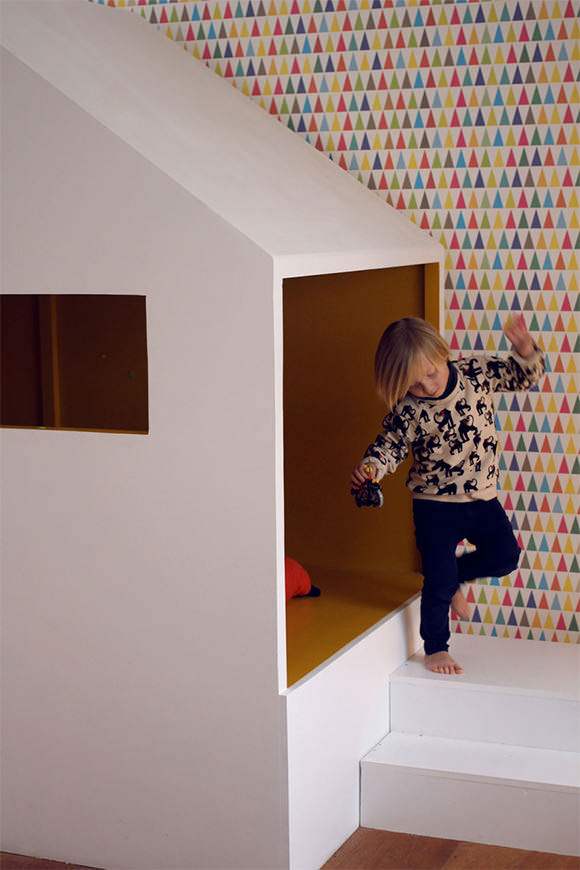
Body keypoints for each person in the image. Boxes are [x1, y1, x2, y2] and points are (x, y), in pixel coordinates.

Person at [351, 315, 545, 675]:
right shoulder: (408, 410)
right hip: (434, 506)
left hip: (481, 497)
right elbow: (389, 446)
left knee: (506, 557)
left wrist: (525, 351)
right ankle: (437, 647)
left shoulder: (476, 373)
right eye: (414, 383)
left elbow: (522, 377)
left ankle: (455, 575)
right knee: (437, 582)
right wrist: (371, 468)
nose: (427, 386)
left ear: (444, 354)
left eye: (432, 373)